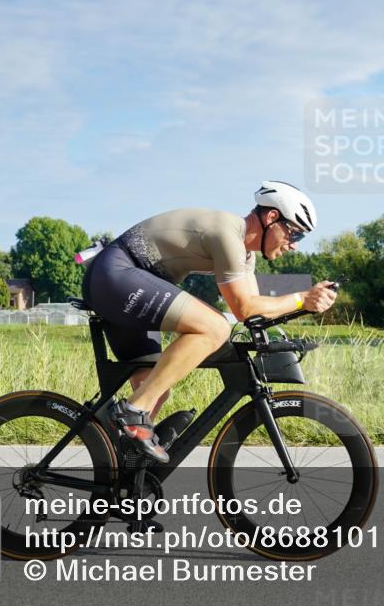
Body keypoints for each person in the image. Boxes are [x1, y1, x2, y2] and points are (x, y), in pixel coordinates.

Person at [81, 181, 338, 463]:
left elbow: (254, 311)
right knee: (214, 327)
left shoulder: (244, 255)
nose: (294, 247)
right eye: (295, 235)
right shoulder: (227, 234)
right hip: (117, 274)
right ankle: (132, 412)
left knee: (155, 390)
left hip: (124, 282)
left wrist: (301, 310)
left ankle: (120, 477)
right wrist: (302, 298)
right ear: (271, 217)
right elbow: (243, 309)